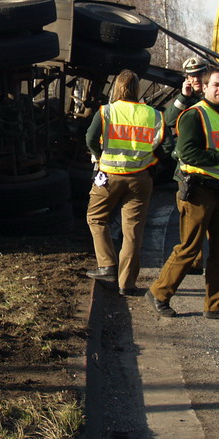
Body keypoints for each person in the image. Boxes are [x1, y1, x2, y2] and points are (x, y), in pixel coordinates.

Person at [148, 68, 219, 321]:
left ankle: (216, 305)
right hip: (198, 191)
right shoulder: (194, 115)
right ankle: (159, 293)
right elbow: (187, 153)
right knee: (190, 248)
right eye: (216, 85)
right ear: (204, 87)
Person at [84, 70, 165, 296]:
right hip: (141, 177)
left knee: (96, 217)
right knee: (133, 230)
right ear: (137, 89)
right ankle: (126, 284)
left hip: (109, 175)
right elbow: (161, 143)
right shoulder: (154, 115)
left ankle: (107, 265)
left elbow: (90, 138)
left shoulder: (106, 112)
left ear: (117, 88)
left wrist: (99, 155)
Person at [163, 56, 211, 274]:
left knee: (212, 222)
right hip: (189, 171)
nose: (195, 79)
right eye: (191, 75)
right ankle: (194, 261)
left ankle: (214, 263)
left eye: (199, 74)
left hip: (213, 168)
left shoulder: (217, 95)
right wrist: (184, 95)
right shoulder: (185, 98)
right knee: (190, 220)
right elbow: (169, 119)